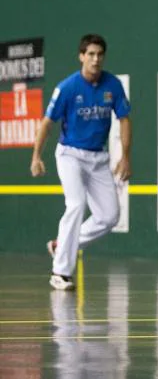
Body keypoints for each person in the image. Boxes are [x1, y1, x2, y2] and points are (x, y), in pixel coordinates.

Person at [30, 34, 132, 291]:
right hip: (70, 154)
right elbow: (46, 123)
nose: (96, 59)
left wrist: (125, 156)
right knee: (76, 204)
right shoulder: (67, 88)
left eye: (100, 54)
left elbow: (125, 120)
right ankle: (60, 272)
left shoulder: (113, 85)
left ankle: (60, 246)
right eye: (91, 54)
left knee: (109, 216)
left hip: (98, 158)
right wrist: (36, 157)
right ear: (81, 56)